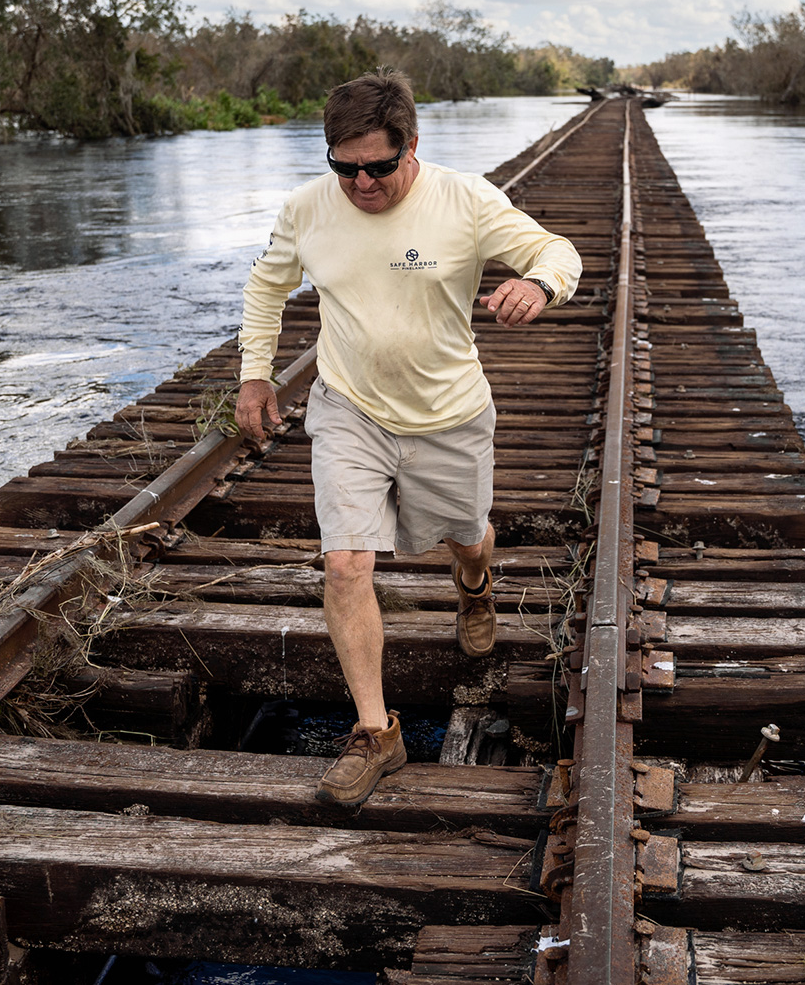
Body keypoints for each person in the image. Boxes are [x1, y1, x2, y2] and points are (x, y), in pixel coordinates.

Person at [235, 70, 583, 809]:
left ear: (412, 147)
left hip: (448, 413)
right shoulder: (306, 208)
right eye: (344, 166)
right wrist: (255, 375)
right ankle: (374, 732)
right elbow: (267, 286)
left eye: (378, 166)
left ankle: (475, 582)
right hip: (349, 408)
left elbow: (558, 250)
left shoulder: (464, 200)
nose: (360, 182)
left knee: (467, 535)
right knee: (345, 561)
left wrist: (540, 287)